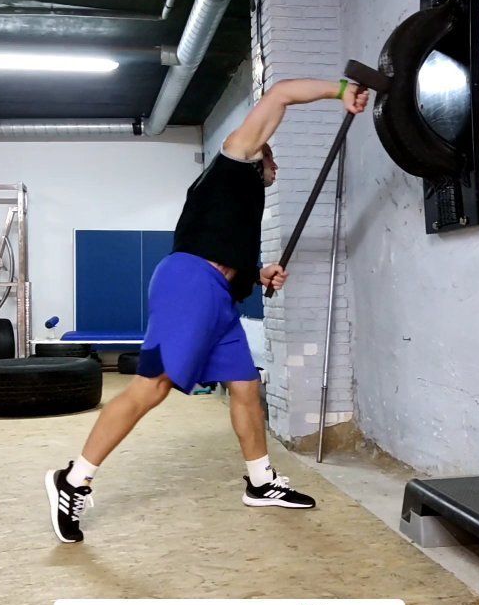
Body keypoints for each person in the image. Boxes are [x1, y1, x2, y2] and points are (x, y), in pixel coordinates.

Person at [45, 77, 368, 542]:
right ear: (259, 155)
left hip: (215, 294)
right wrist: (340, 91)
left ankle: (260, 482)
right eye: (271, 156)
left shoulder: (236, 199)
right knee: (151, 386)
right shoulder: (235, 160)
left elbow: (222, 247)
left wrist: (257, 273)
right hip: (189, 286)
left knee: (246, 386)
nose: (274, 164)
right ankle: (73, 479)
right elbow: (279, 94)